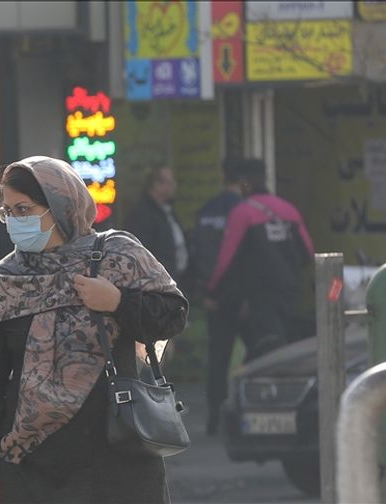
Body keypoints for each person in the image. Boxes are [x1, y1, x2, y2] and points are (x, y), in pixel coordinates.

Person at [0, 156, 188, 504]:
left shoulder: (117, 257)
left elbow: (173, 316)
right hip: (30, 464)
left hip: (116, 458)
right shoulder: (3, 281)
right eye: (7, 212)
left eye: (24, 209)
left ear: (60, 206)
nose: (14, 221)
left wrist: (118, 302)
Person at [207, 158, 314, 362]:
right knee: (279, 347)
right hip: (288, 294)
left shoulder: (242, 213)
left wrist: (213, 291)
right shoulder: (288, 210)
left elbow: (226, 260)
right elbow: (308, 253)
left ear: (244, 183)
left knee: (261, 352)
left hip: (258, 297)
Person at [191, 158, 247, 435]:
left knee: (219, 356)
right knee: (256, 354)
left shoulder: (206, 211)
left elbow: (199, 253)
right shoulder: (246, 210)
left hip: (215, 296)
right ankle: (244, 415)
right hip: (242, 298)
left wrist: (205, 291)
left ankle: (215, 413)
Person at [124, 166, 188, 282]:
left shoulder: (167, 211)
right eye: (169, 182)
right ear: (156, 185)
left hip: (175, 279)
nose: (174, 186)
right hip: (158, 283)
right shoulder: (143, 214)